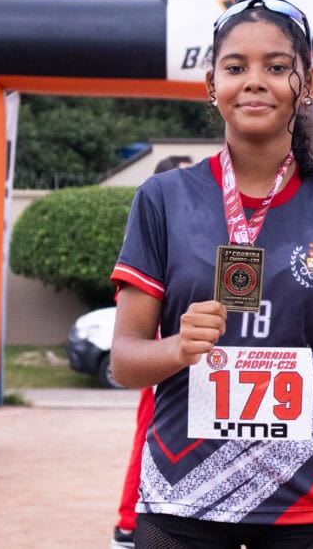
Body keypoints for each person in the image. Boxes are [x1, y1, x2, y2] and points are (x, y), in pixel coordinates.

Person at [110, 0, 313, 548]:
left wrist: (302, 415)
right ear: (211, 84)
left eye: (277, 67)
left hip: (305, 501)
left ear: (306, 83)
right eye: (236, 67)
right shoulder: (163, 200)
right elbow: (124, 360)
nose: (255, 81)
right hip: (181, 499)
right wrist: (178, 349)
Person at [112, 155, 195, 549]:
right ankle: (129, 522)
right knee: (150, 434)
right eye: (184, 174)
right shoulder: (156, 222)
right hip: (164, 360)